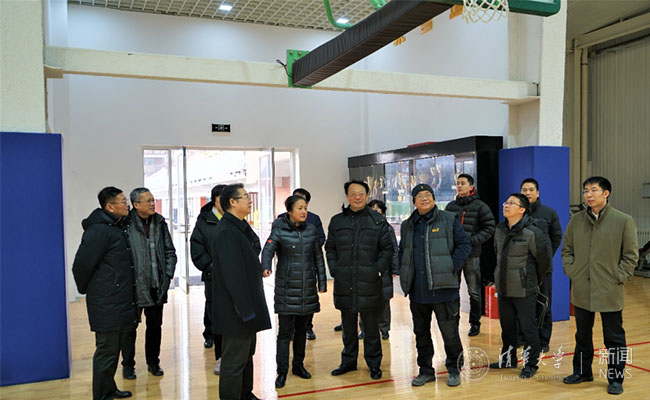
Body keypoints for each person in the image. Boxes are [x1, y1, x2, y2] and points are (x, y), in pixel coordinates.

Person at [562, 176, 638, 395]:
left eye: (593, 190)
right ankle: (582, 372)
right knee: (582, 335)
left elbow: (631, 256)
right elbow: (567, 250)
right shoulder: (576, 220)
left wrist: (618, 276)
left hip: (609, 288)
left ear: (606, 193)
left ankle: (615, 378)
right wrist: (572, 272)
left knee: (614, 337)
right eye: (586, 191)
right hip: (582, 288)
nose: (588, 195)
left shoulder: (623, 221)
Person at [398, 184, 471, 388]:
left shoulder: (448, 219)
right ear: (414, 201)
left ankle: (454, 369)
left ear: (433, 198)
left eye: (428, 195)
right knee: (421, 333)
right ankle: (426, 371)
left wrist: (450, 267)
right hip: (418, 290)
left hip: (444, 289)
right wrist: (404, 272)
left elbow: (464, 245)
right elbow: (403, 251)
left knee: (449, 332)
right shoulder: (407, 225)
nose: (424, 198)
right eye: (420, 196)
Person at [72, 187, 139, 400]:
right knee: (106, 351)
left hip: (117, 299)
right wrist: (91, 290)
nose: (127, 204)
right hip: (107, 301)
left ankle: (109, 388)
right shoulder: (99, 231)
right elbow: (81, 266)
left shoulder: (116, 227)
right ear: (110, 207)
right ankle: (102, 396)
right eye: (123, 201)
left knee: (113, 349)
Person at [325, 180, 393, 380]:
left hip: (369, 282)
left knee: (371, 328)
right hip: (345, 281)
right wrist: (335, 269)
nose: (357, 197)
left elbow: (387, 249)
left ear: (367, 195)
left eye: (361, 193)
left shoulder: (377, 221)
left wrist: (377, 270)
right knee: (348, 327)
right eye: (353, 193)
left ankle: (374, 364)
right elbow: (330, 248)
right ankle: (348, 362)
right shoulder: (337, 221)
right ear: (347, 196)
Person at [209, 183, 272, 400]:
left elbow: (253, 248)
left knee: (246, 355)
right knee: (234, 361)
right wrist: (244, 309)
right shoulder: (227, 231)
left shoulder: (238, 226)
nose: (249, 200)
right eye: (245, 196)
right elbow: (233, 275)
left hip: (246, 305)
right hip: (236, 309)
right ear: (232, 202)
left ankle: (246, 394)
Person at [261, 195, 327, 388]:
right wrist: (266, 266)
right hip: (286, 289)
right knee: (284, 333)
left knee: (301, 331)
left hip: (307, 289)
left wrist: (322, 282)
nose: (304, 211)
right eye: (299, 208)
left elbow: (318, 257)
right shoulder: (279, 230)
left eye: (305, 207)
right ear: (289, 211)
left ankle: (298, 365)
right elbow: (268, 250)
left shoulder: (311, 230)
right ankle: (281, 372)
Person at [489, 193, 552, 379]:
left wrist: (530, 279)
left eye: (511, 203)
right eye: (506, 202)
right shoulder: (500, 230)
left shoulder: (532, 232)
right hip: (504, 287)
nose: (506, 205)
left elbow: (544, 262)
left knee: (528, 328)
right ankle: (508, 359)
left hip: (525, 288)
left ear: (522, 209)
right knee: (507, 327)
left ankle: (531, 364)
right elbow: (497, 254)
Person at [120, 188, 176, 379]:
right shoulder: (125, 224)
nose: (153, 204)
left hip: (156, 285)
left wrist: (167, 275)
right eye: (148, 201)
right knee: (129, 329)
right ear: (136, 205)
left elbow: (170, 252)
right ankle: (128, 365)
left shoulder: (160, 223)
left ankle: (153, 362)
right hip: (133, 287)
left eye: (153, 200)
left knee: (155, 327)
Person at [444, 174, 495, 337]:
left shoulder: (481, 206)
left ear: (471, 187)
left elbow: (489, 228)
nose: (459, 186)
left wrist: (471, 240)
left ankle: (475, 323)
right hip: (453, 255)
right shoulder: (451, 206)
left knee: (474, 291)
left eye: (463, 183)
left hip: (472, 255)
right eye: (457, 183)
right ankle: (453, 321)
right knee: (453, 290)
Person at [520, 178, 563, 352]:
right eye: (524, 190)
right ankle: (523, 338)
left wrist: (546, 257)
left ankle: (543, 341)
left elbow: (556, 237)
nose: (527, 193)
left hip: (543, 268)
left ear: (537, 193)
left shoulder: (549, 213)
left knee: (544, 304)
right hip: (521, 268)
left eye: (531, 190)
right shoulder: (516, 212)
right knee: (522, 305)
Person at [277, 188, 325, 340]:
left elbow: (320, 238)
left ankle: (308, 328)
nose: (302, 210)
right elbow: (274, 243)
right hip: (289, 267)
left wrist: (307, 247)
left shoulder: (314, 220)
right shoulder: (280, 220)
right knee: (288, 305)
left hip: (307, 265)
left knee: (307, 301)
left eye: (304, 205)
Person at [190, 184, 226, 374]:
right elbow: (197, 248)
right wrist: (210, 267)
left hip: (234, 277)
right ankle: (217, 351)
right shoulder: (204, 221)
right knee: (215, 311)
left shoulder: (235, 218)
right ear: (214, 200)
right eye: (222, 198)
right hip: (214, 275)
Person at [357, 199, 399, 340]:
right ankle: (364, 329)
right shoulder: (361, 227)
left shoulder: (388, 228)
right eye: (372, 211)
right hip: (365, 270)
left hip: (384, 270)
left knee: (384, 302)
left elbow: (394, 250)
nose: (375, 214)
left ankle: (384, 329)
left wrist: (395, 268)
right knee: (364, 302)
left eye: (378, 211)